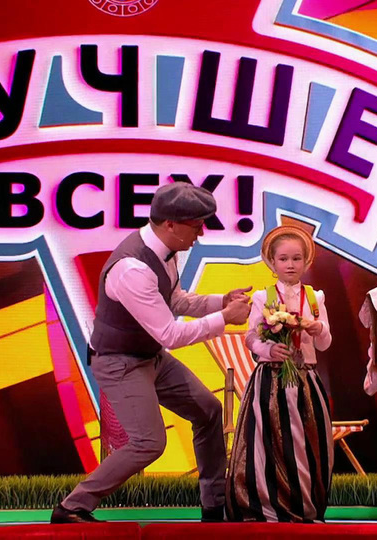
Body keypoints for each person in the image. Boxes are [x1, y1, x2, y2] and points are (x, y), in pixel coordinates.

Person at [51, 182, 253, 524]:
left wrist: (222, 301)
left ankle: (214, 506)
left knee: (208, 410)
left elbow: (176, 301)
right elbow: (170, 334)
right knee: (148, 442)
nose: (201, 234)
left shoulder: (166, 251)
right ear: (170, 224)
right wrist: (224, 318)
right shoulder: (133, 269)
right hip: (119, 363)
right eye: (196, 225)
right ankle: (71, 507)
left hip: (151, 357)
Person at [225, 225, 333, 522]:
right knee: (269, 443)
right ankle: (267, 505)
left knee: (307, 442)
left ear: (306, 262)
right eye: (283, 259)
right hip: (270, 381)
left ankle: (305, 505)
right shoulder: (264, 297)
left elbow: (325, 343)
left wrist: (318, 328)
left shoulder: (315, 298)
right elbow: (250, 337)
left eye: (297, 258)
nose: (290, 265)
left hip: (306, 379)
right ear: (271, 262)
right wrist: (269, 350)